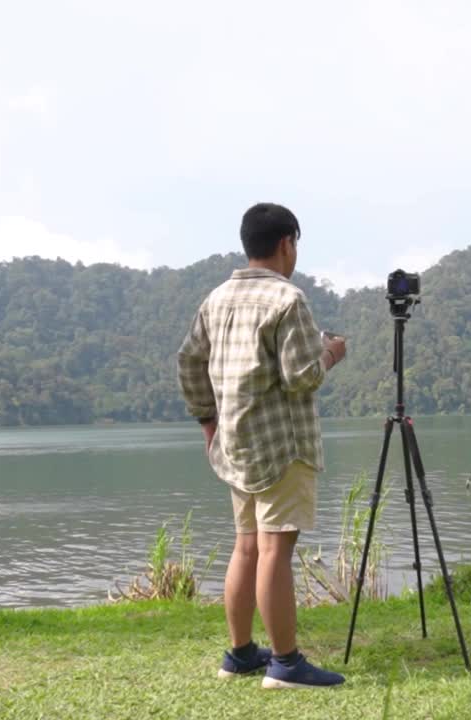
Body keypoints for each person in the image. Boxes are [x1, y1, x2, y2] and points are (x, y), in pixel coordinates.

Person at [177, 202, 348, 690]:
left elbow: (189, 362)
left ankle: (240, 654)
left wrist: (208, 421)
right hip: (281, 444)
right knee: (275, 548)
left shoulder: (216, 299)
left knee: (247, 546)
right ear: (286, 243)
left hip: (236, 443)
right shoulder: (287, 300)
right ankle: (287, 664)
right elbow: (302, 376)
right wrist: (331, 352)